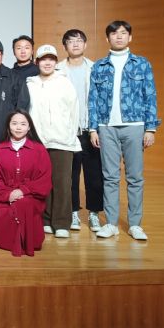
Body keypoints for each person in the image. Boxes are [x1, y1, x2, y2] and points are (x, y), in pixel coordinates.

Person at [89, 20, 160, 241]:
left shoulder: (142, 64)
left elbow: (150, 95)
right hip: (106, 127)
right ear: (107, 38)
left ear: (130, 37)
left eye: (123, 33)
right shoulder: (99, 66)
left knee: (135, 177)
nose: (119, 36)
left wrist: (150, 128)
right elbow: (92, 99)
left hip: (135, 126)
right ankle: (111, 223)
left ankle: (135, 225)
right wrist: (93, 129)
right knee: (110, 177)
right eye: (114, 33)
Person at [26, 44, 81, 238]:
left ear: (55, 62)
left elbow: (74, 110)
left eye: (51, 59)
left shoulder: (64, 83)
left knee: (62, 182)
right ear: (37, 62)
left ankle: (62, 222)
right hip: (38, 141)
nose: (47, 63)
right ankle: (46, 219)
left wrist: (69, 134)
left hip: (62, 140)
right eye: (43, 59)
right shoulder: (30, 84)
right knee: (43, 182)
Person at [57, 29, 103, 231]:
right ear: (64, 46)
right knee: (70, 175)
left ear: (85, 44)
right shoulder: (57, 69)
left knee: (95, 175)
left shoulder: (96, 68)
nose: (75, 44)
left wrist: (97, 128)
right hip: (68, 131)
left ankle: (94, 214)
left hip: (91, 130)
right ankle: (73, 212)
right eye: (70, 41)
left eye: (79, 40)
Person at [0, 111, 52, 257]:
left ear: (29, 127)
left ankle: (27, 243)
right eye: (14, 123)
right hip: (6, 198)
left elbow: (44, 179)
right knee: (16, 206)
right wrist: (8, 194)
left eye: (23, 124)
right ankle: (19, 243)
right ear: (8, 126)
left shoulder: (39, 149)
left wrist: (23, 191)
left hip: (32, 197)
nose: (18, 127)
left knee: (24, 203)